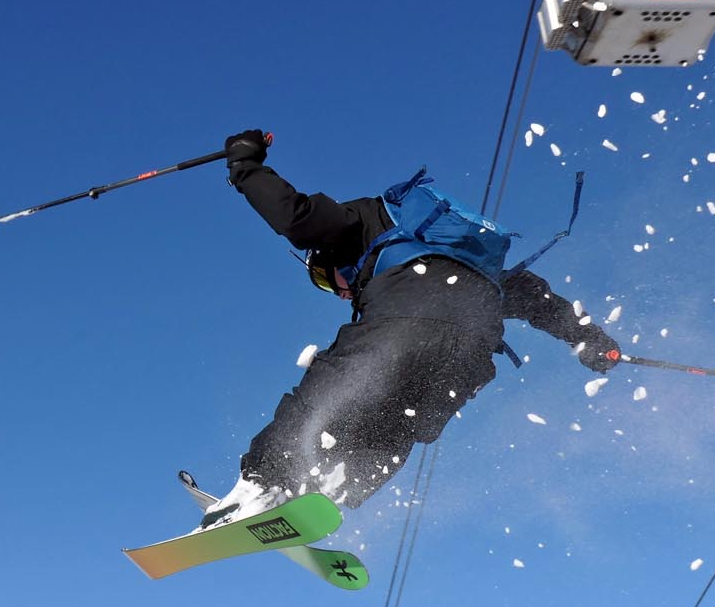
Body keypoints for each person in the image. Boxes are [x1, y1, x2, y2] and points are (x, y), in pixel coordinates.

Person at [202, 130, 620, 525]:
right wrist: (589, 338)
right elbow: (533, 297)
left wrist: (245, 165)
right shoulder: (471, 265)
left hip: (406, 317)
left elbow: (298, 218)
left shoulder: (365, 220)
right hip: (472, 349)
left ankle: (263, 487)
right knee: (397, 420)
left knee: (332, 392)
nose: (340, 294)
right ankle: (332, 486)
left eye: (327, 280)